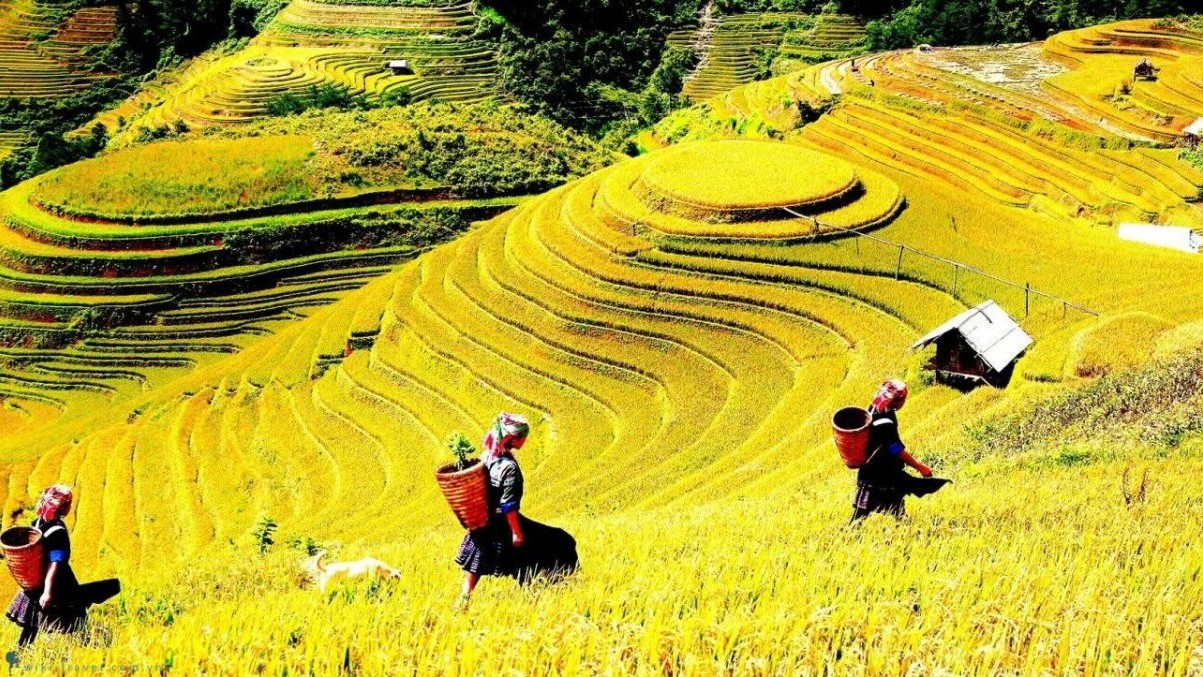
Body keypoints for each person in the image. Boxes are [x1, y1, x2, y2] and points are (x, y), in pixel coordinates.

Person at [455, 413, 578, 606]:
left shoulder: (485, 457)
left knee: (476, 562)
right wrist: (516, 532)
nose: (525, 441)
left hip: (485, 523)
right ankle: (540, 594)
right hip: (503, 525)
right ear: (514, 438)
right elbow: (508, 505)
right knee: (561, 540)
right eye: (524, 437)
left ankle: (463, 600)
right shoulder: (509, 467)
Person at [851, 380, 946, 522]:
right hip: (879, 473)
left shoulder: (876, 409)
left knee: (893, 508)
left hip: (875, 470)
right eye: (904, 399)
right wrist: (920, 467)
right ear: (896, 401)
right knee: (861, 514)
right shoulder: (884, 421)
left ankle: (905, 527)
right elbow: (895, 448)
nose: (905, 402)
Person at [7, 485, 84, 647]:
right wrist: (48, 591)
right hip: (57, 580)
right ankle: (79, 649)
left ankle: (22, 650)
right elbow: (55, 562)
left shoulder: (36, 523)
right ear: (61, 506)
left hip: (37, 578)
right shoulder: (58, 531)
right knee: (75, 618)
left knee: (31, 622)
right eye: (68, 504)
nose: (70, 507)